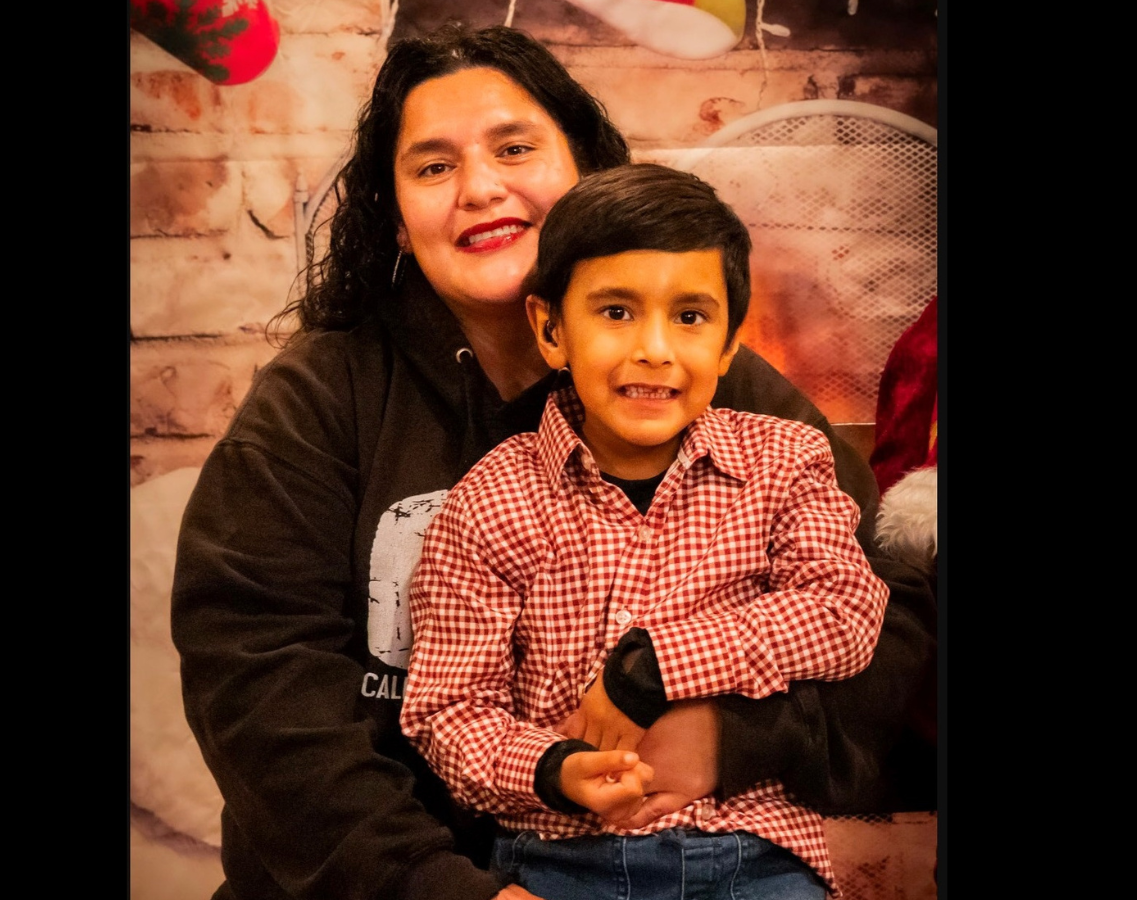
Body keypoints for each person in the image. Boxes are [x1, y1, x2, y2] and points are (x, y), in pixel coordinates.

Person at [170, 22, 937, 900]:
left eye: (515, 148)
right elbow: (260, 684)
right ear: (396, 217)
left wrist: (732, 737)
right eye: (434, 166)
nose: (480, 188)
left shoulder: (717, 395)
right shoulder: (318, 402)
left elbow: (886, 617)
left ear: (584, 169)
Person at [400, 163, 890, 899]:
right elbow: (448, 710)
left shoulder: (785, 461)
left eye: (689, 317)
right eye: (616, 312)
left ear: (728, 344)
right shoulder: (489, 502)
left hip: (753, 857)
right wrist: (553, 769)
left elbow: (844, 611)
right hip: (560, 862)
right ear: (551, 329)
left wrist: (659, 662)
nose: (655, 349)